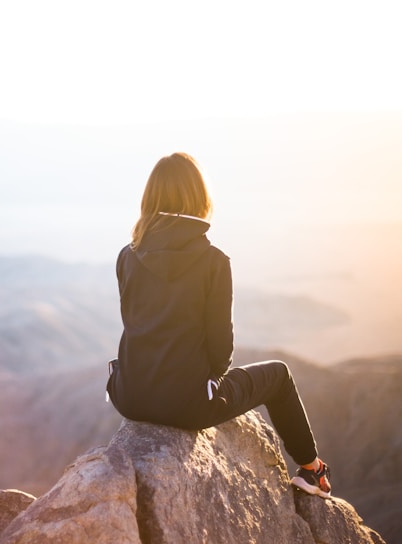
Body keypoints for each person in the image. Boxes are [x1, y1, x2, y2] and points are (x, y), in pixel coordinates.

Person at [106, 152, 331, 498]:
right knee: (280, 375)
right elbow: (221, 351)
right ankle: (311, 469)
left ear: (150, 198)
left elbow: (135, 323)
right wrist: (207, 383)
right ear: (199, 198)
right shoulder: (213, 262)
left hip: (128, 395)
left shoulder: (127, 254)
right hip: (188, 405)